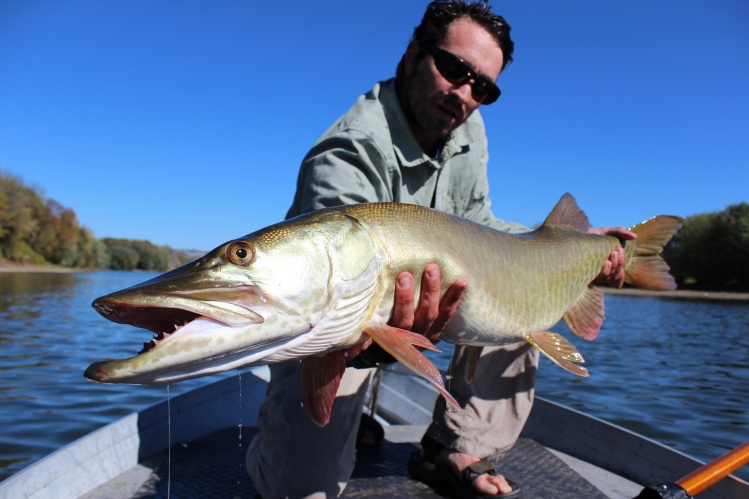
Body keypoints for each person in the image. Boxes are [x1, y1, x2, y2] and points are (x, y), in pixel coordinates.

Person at [246, 1, 633, 497]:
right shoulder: (347, 153)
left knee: (519, 294)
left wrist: (579, 248)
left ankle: (456, 446)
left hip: (434, 299)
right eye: (454, 68)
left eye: (484, 88)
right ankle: (276, 449)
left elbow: (481, 225)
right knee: (299, 488)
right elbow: (322, 298)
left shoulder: (466, 126)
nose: (465, 93)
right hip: (342, 329)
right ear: (411, 53)